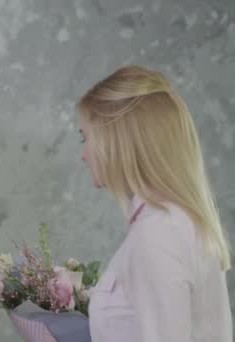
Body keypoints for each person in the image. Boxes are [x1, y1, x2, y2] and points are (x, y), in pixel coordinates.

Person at [78, 65, 232, 342]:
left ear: (117, 139)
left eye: (86, 137)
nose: (84, 154)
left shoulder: (158, 233)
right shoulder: (173, 223)